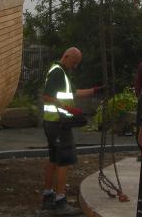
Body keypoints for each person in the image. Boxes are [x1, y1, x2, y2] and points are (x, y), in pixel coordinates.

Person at [41, 47, 102, 215]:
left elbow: (73, 93)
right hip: (59, 124)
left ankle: (48, 196)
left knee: (54, 159)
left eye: (77, 64)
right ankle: (60, 201)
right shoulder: (57, 72)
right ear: (66, 56)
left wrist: (95, 91)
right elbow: (46, 96)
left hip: (54, 123)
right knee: (65, 161)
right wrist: (68, 109)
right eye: (74, 62)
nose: (75, 66)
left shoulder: (62, 73)